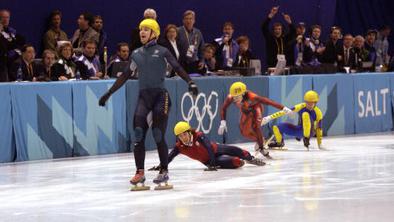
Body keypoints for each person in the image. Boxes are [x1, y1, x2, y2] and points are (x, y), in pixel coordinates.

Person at [98, 19, 199, 190]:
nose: (142, 32)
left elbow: (177, 67)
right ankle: (140, 172)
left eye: (146, 29)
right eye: (140, 30)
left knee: (158, 134)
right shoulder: (136, 53)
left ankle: (164, 170)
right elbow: (124, 76)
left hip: (161, 97)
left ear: (154, 33)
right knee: (138, 134)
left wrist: (190, 82)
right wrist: (109, 93)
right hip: (144, 98)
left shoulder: (163, 51)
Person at [149, 122, 265, 171]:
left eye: (184, 134)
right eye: (180, 136)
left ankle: (251, 158)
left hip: (215, 150)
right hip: (209, 160)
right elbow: (169, 157)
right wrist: (161, 166)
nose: (183, 137)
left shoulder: (198, 135)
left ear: (189, 132)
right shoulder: (179, 147)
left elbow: (209, 148)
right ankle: (242, 161)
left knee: (238, 151)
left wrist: (213, 164)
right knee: (236, 162)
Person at [218, 82, 290, 159]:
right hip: (245, 110)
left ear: (243, 93)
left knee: (255, 127)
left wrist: (283, 108)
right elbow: (223, 108)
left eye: (237, 97)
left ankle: (262, 148)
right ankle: (260, 140)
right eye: (234, 97)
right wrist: (223, 122)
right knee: (244, 132)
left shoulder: (252, 97)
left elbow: (268, 102)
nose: (235, 100)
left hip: (256, 108)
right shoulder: (230, 97)